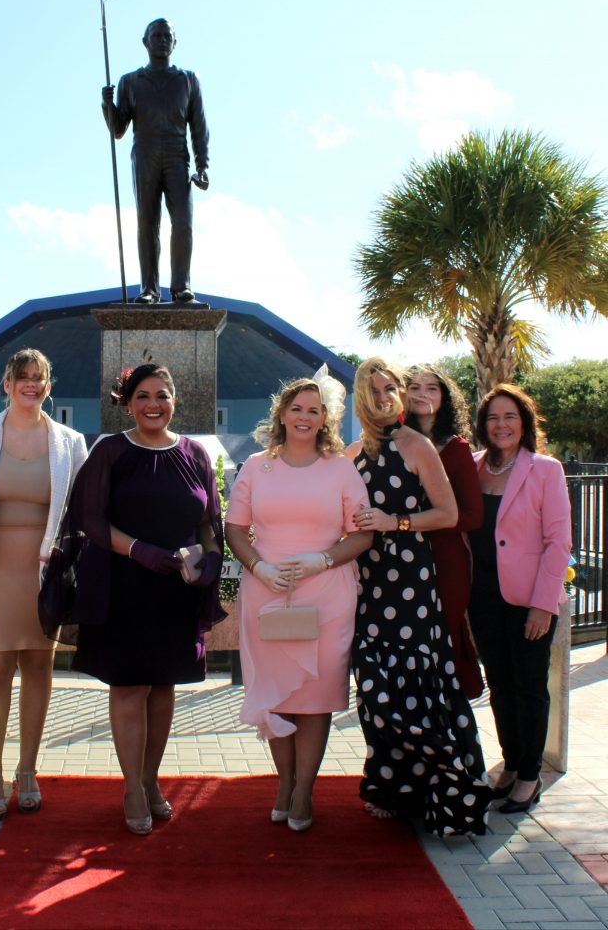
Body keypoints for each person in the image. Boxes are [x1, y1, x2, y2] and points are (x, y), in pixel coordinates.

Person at [54, 363, 225, 834]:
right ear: (127, 402)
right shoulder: (111, 450)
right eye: (144, 395)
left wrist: (211, 560)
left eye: (163, 395)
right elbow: (88, 517)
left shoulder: (194, 453)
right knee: (129, 686)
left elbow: (209, 519)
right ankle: (131, 786)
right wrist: (137, 549)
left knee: (163, 686)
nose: (154, 404)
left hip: (177, 590)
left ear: (175, 401)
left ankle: (150, 781)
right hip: (123, 587)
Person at [225, 369, 372, 832]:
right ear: (282, 414)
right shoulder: (256, 467)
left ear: (324, 417)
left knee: (315, 697)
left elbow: (362, 534)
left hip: (327, 595)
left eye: (314, 409)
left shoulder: (341, 468)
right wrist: (259, 567)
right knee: (277, 698)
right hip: (267, 594)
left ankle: (305, 789)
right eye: (297, 408)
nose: (304, 417)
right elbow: (235, 529)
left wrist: (322, 561)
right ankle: (284, 784)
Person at [348, 358, 490, 835]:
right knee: (374, 685)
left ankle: (436, 783)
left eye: (392, 388)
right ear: (360, 398)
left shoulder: (416, 444)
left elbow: (449, 512)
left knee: (415, 683)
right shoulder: (351, 453)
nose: (384, 396)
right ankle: (389, 783)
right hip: (367, 583)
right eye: (374, 390)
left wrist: (396, 522)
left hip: (410, 580)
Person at [0, 349, 87, 819]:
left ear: (48, 386)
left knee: (38, 668)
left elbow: (81, 512)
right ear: (7, 384)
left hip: (45, 573)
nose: (31, 385)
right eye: (23, 377)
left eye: (39, 379)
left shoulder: (70, 441)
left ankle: (27, 769)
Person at [468, 384, 571, 814]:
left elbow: (558, 541)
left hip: (528, 599)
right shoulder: (471, 468)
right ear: (483, 425)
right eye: (493, 418)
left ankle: (530, 776)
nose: (501, 425)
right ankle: (510, 764)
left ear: (524, 421)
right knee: (501, 688)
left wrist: (543, 604)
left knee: (529, 688)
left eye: (510, 416)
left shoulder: (545, 470)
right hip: (482, 597)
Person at [102, 18, 209, 304]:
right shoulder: (130, 81)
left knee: (183, 223)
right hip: (146, 154)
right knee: (147, 223)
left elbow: (198, 126)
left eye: (167, 36)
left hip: (177, 155)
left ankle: (181, 287)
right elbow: (119, 129)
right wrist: (107, 105)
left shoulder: (187, 80)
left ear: (175, 42)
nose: (162, 40)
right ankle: (149, 288)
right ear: (145, 42)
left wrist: (203, 165)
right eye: (156, 35)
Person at [405, 364, 484, 698]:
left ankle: (449, 719)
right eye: (415, 386)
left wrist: (424, 520)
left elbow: (472, 515)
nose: (423, 393)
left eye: (432, 387)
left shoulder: (456, 448)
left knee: (444, 637)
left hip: (445, 561)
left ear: (444, 396)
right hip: (402, 561)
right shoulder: (394, 444)